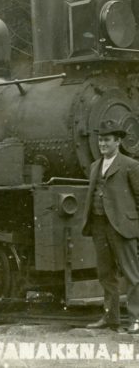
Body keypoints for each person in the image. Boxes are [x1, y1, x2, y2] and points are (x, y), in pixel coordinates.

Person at [82, 119, 139, 334]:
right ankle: (110, 317)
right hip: (99, 225)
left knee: (133, 275)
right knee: (105, 273)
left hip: (122, 226)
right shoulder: (95, 166)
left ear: (118, 142)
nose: (102, 144)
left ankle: (136, 319)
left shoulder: (130, 165)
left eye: (106, 140)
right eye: (100, 140)